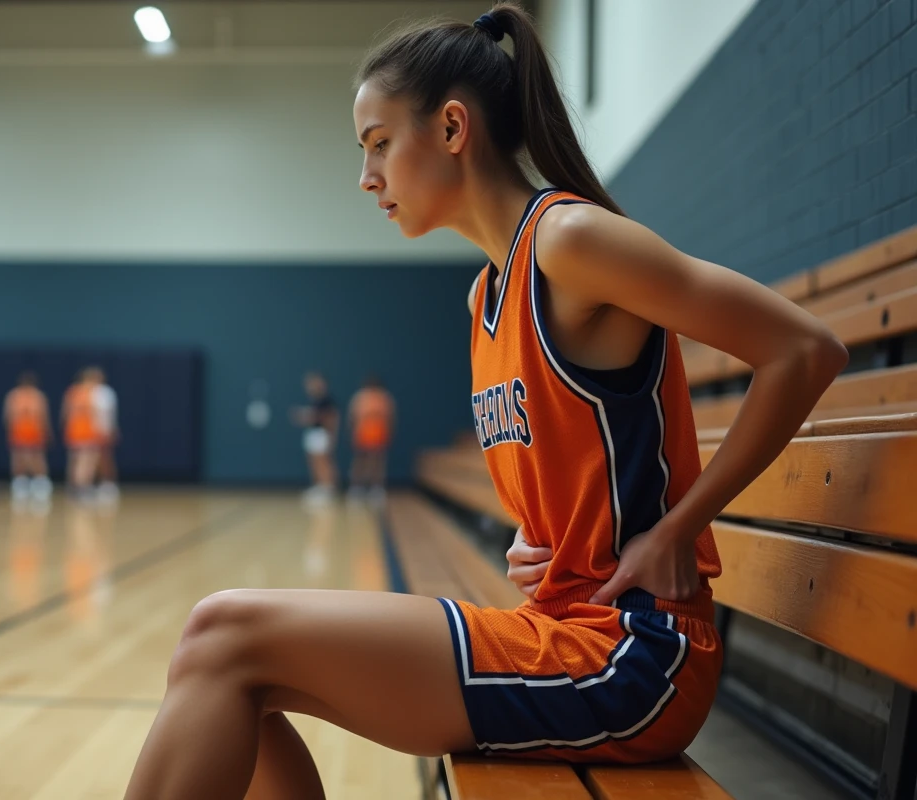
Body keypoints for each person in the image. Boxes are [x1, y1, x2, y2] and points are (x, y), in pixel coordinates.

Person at [123, 5, 848, 798]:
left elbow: (805, 351)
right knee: (232, 665)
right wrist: (537, 544)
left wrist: (681, 525)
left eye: (378, 145)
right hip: (563, 630)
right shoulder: (485, 298)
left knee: (222, 634)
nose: (366, 178)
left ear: (452, 127)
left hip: (636, 654)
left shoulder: (571, 242)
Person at [4, 371, 53, 504]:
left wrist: (46, 431)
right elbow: (10, 416)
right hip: (24, 431)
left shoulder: (20, 396)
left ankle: (37, 483)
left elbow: (9, 417)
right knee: (23, 457)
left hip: (30, 431)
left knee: (30, 457)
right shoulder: (20, 396)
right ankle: (25, 484)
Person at [290, 371, 340, 506]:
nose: (310, 386)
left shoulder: (327, 400)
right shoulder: (315, 400)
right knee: (314, 462)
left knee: (323, 462)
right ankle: (319, 487)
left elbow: (329, 418)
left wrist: (331, 436)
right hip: (313, 434)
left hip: (322, 434)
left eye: (314, 382)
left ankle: (328, 489)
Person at [347, 373, 396, 502]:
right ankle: (357, 487)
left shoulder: (384, 398)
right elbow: (352, 417)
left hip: (379, 433)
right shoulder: (359, 397)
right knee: (361, 460)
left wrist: (389, 433)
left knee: (377, 461)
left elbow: (390, 417)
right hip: (362, 432)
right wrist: (352, 432)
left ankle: (376, 487)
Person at [62, 369, 102, 498]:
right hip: (87, 432)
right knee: (86, 462)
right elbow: (96, 415)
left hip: (73, 431)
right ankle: (82, 489)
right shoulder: (92, 393)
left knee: (74, 460)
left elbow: (65, 414)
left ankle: (73, 487)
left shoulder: (72, 392)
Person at [90, 367, 121, 503]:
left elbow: (110, 414)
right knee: (92, 460)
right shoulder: (87, 393)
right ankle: (95, 484)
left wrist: (111, 429)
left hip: (104, 431)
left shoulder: (106, 393)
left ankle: (108, 485)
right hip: (90, 432)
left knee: (105, 458)